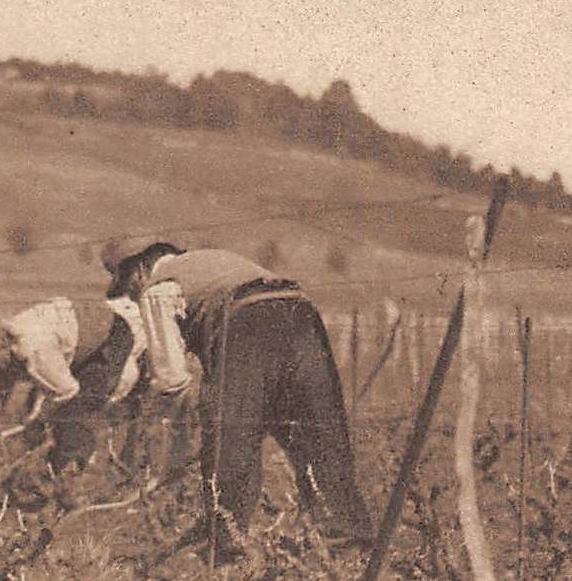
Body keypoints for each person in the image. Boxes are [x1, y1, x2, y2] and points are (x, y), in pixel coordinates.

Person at [98, 237, 374, 563]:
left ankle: (227, 546)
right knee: (319, 433)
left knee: (231, 442)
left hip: (246, 323)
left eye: (127, 287)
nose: (131, 296)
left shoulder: (157, 289)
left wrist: (169, 436)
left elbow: (172, 379)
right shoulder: (213, 259)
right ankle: (348, 541)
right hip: (301, 313)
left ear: (138, 270)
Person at [0, 296, 146, 471]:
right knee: (43, 411)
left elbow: (67, 391)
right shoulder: (6, 346)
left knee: (77, 410)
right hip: (78, 338)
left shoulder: (34, 351)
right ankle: (47, 463)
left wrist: (36, 420)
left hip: (109, 337)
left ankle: (70, 474)